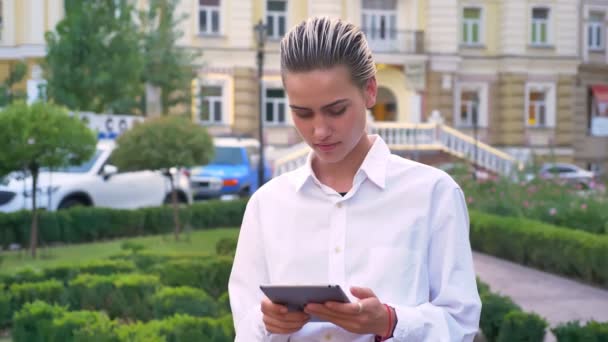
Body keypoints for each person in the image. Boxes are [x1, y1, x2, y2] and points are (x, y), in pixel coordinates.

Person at [229, 16, 481, 341]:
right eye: (303, 113)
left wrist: (390, 322)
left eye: (336, 110)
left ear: (370, 91)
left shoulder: (434, 194)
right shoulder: (267, 205)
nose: (319, 130)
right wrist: (269, 324)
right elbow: (245, 327)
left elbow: (460, 323)